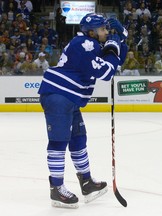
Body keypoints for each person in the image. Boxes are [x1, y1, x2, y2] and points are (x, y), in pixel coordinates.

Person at [37, 13, 128, 208]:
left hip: (69, 98)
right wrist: (113, 45)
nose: (106, 32)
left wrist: (122, 35)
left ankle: (86, 182)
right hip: (58, 96)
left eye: (106, 29)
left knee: (78, 139)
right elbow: (106, 72)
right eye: (103, 29)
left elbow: (117, 60)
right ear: (92, 32)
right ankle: (56, 188)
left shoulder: (91, 43)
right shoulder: (84, 45)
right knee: (59, 141)